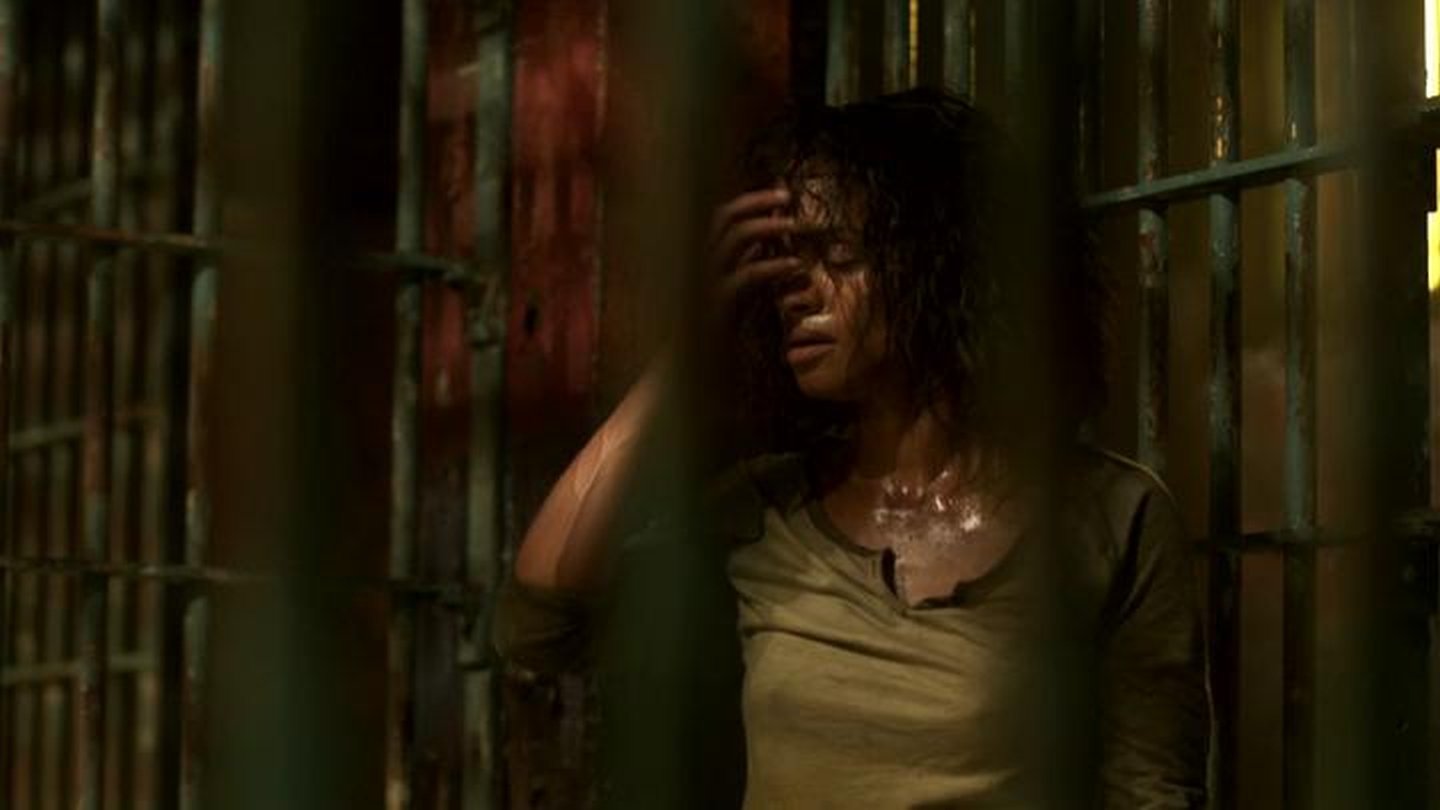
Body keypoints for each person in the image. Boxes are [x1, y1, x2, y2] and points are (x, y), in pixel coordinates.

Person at [493, 88, 1210, 809]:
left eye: (835, 253)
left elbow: (1151, 793)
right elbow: (537, 628)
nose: (796, 292)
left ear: (944, 264)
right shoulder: (768, 511)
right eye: (782, 264)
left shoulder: (1111, 518)